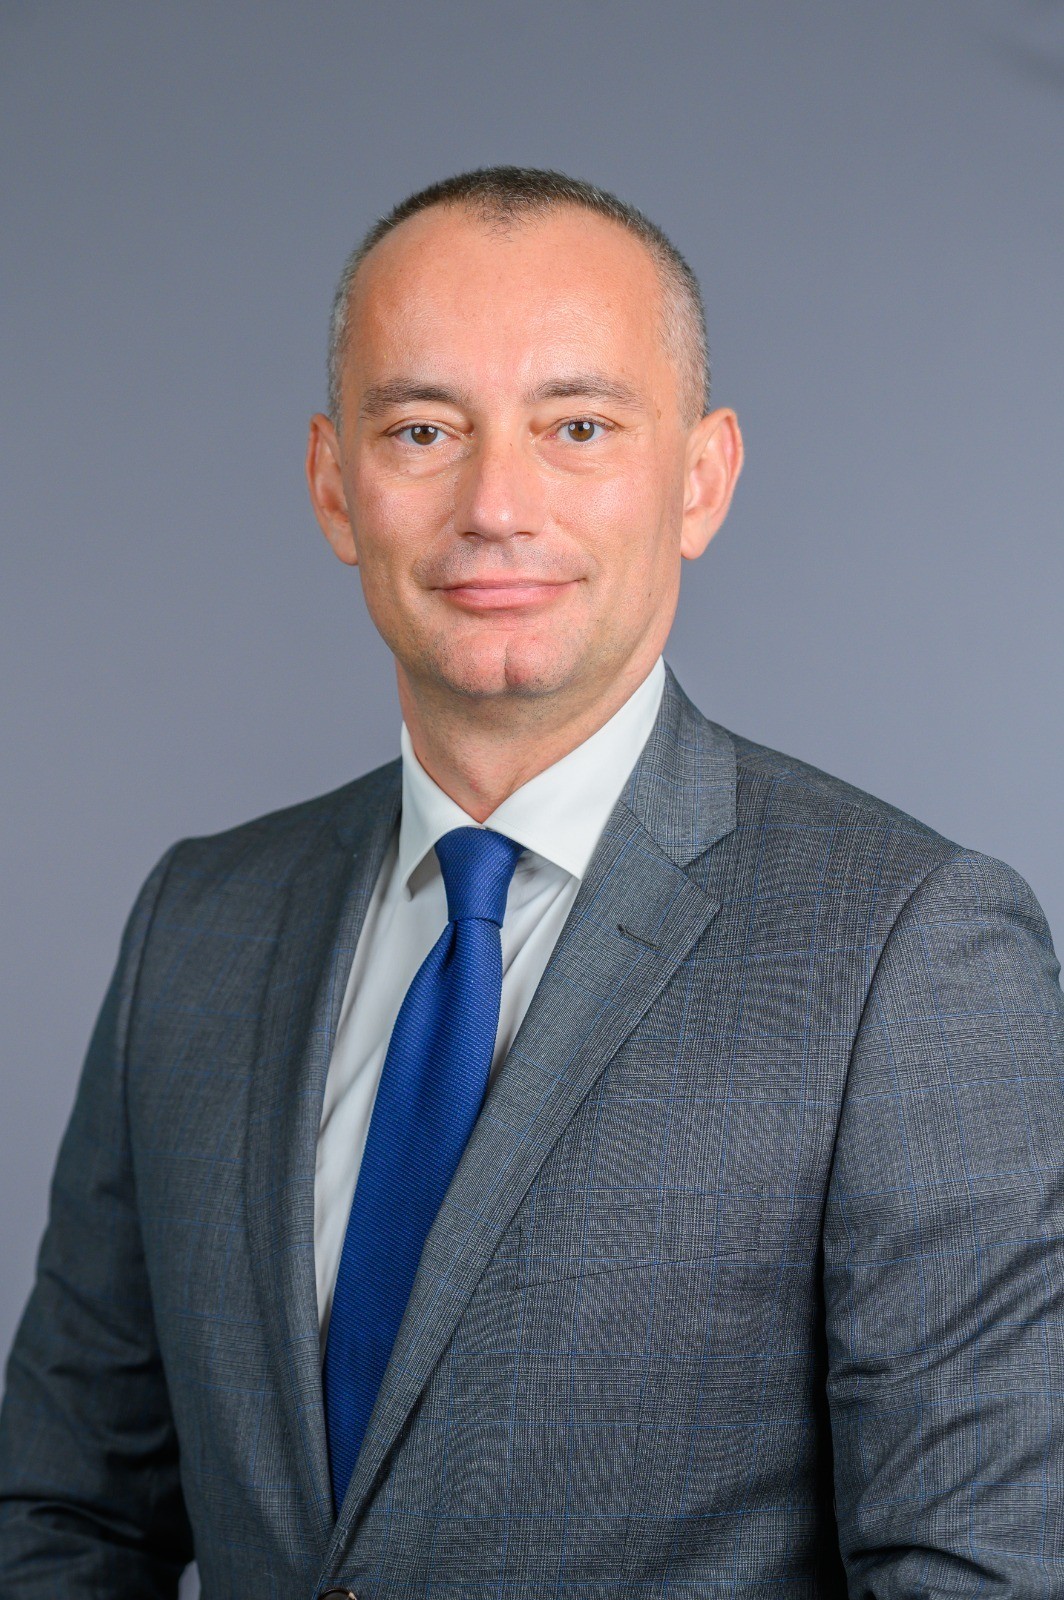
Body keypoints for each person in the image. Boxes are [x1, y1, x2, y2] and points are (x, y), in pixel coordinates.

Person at [1, 165, 1062, 1600]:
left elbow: (981, 1570)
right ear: (334, 483)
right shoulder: (199, 925)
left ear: (701, 480)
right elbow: (59, 1518)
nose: (496, 505)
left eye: (578, 427)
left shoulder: (908, 950)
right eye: (423, 429)